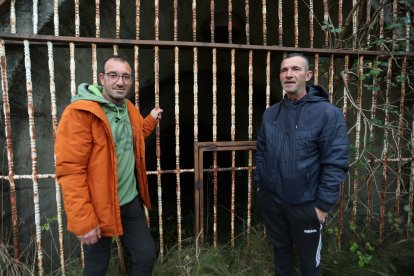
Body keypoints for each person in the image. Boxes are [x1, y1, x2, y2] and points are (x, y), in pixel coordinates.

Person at [55, 55, 163, 276]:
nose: (120, 82)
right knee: (97, 266)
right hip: (98, 206)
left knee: (146, 254)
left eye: (126, 77)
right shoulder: (80, 113)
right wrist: (83, 219)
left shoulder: (129, 108)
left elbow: (136, 136)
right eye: (113, 75)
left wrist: (150, 119)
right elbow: (71, 169)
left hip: (129, 201)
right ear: (102, 78)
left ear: (131, 81)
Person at [254, 53, 348, 276]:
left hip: (306, 206)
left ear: (308, 75)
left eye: (295, 69)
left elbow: (335, 163)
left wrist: (322, 206)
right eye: (284, 70)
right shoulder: (271, 114)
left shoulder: (327, 114)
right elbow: (261, 151)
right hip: (272, 202)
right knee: (281, 254)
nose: (288, 74)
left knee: (309, 264)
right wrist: (260, 187)